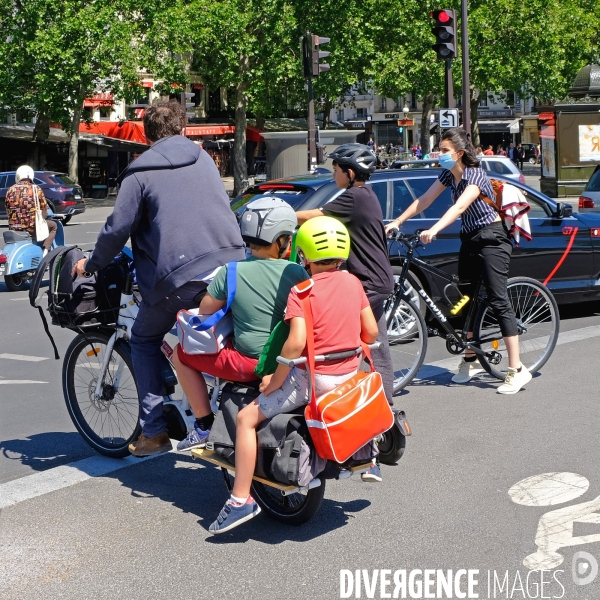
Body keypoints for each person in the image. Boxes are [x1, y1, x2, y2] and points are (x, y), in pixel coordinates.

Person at [73, 100, 246, 457]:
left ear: (146, 134)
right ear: (183, 127)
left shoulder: (139, 173)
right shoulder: (204, 160)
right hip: (233, 265)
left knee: (143, 339)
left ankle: (154, 432)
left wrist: (91, 264)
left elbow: (116, 229)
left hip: (182, 276)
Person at [208, 217, 379, 534]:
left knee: (246, 419)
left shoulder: (302, 291)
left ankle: (240, 500)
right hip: (348, 376)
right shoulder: (353, 283)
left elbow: (296, 342)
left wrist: (274, 380)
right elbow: (370, 331)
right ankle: (368, 457)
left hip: (312, 381)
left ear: (304, 255)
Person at [385, 127, 532, 394]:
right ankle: (470, 359)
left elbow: (459, 207)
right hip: (470, 238)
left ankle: (517, 369)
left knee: (498, 299)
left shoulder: (475, 175)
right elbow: (424, 200)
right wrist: (397, 221)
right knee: (465, 297)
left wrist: (435, 230)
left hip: (492, 239)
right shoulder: (447, 175)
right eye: (439, 149)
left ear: (460, 154)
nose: (439, 154)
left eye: (444, 151)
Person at [172, 198, 308, 451]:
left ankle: (202, 425)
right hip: (286, 361)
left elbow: (205, 310)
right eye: (288, 237)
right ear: (280, 241)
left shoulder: (231, 271)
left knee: (181, 355)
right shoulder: (296, 273)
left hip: (248, 364)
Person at [296, 144, 395, 407]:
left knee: (342, 335)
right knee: (377, 343)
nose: (333, 175)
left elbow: (314, 216)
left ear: (350, 173)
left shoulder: (353, 197)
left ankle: (340, 390)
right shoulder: (366, 193)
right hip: (378, 277)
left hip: (368, 280)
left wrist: (281, 216)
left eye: (336, 169)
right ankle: (384, 400)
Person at [5, 165, 57, 256]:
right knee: (54, 226)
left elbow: (7, 209)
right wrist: (43, 217)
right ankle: (45, 253)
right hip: (31, 227)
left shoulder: (10, 190)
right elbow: (44, 209)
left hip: (14, 228)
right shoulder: (36, 189)